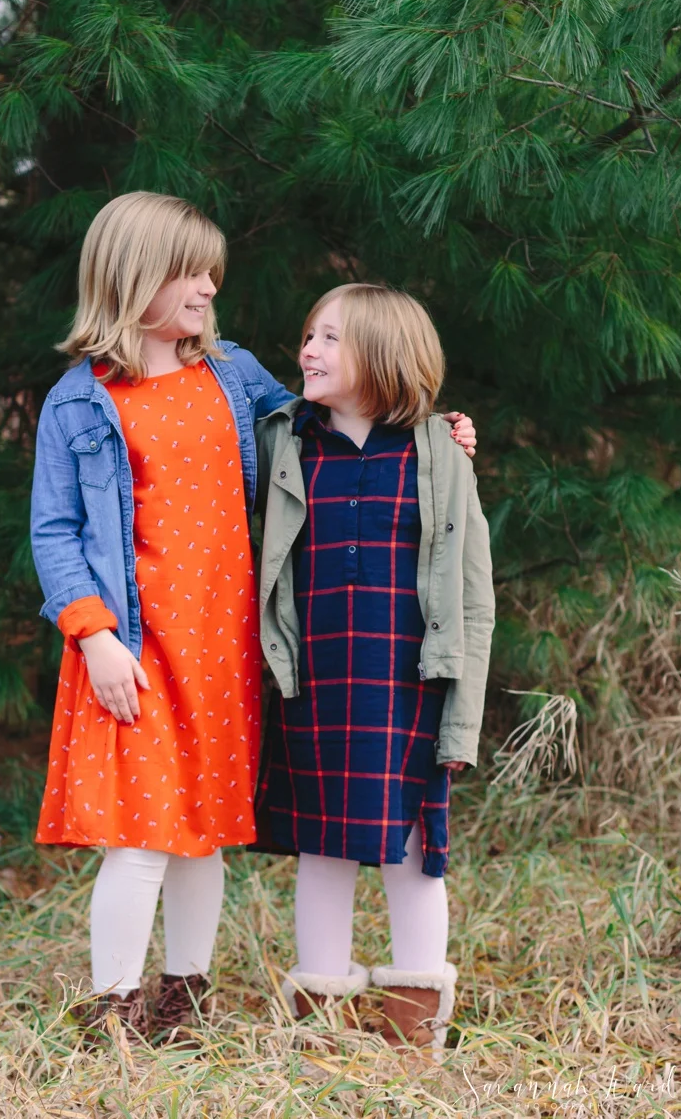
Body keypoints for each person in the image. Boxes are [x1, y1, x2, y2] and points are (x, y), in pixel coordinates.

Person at [30, 193, 478, 1042]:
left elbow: (328, 419)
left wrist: (434, 433)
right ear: (136, 278)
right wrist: (94, 637)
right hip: (134, 645)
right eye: (191, 274)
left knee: (200, 832)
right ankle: (113, 1014)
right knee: (140, 836)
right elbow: (54, 531)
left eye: (211, 274)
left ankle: (184, 1000)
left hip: (223, 643)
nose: (209, 288)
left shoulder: (229, 374)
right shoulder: (80, 402)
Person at [254, 284, 494, 1054]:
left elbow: (474, 598)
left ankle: (415, 1023)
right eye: (308, 335)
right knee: (323, 844)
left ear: (385, 356)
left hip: (409, 683)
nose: (308, 350)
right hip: (317, 679)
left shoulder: (439, 454)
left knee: (416, 849)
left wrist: (462, 719)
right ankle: (319, 1020)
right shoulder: (284, 444)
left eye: (330, 338)